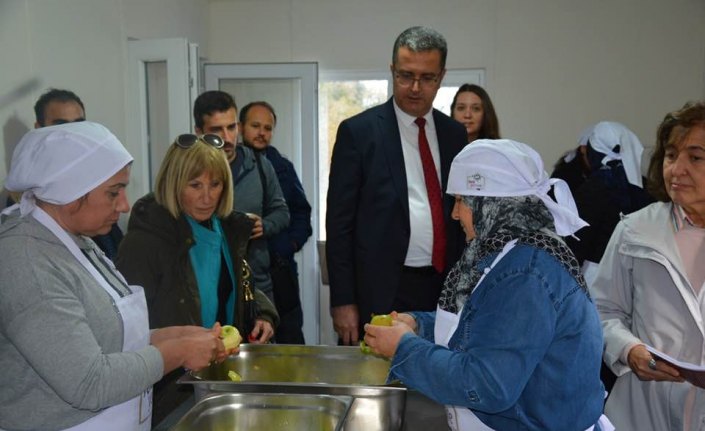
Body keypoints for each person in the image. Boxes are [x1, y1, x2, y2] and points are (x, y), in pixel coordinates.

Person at [363, 139, 611, 431]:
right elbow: (485, 323)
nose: (454, 214)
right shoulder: (506, 250)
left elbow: (488, 386)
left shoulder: (526, 271)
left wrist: (405, 349)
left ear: (493, 206)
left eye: (461, 201)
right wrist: (419, 326)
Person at [0, 122, 231, 431]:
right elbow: (88, 382)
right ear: (70, 192)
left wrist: (176, 336)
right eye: (114, 192)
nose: (124, 205)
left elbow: (107, 338)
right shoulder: (27, 261)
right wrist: (178, 352)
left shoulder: (77, 242)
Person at [116, 133, 279, 425]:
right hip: (171, 394)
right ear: (173, 184)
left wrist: (263, 313)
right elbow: (126, 332)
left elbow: (242, 283)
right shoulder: (144, 243)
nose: (207, 197)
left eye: (215, 184)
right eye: (195, 185)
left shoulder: (228, 228)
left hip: (221, 381)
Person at [326, 26, 467, 345]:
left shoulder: (454, 135)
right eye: (406, 75)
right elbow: (339, 225)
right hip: (380, 290)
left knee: (435, 384)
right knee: (377, 387)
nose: (415, 87)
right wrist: (343, 300)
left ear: (442, 76)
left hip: (442, 288)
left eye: (427, 78)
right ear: (392, 71)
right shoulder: (359, 133)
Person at [590, 101, 705, 431]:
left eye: (695, 157)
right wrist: (629, 350)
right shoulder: (635, 229)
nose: (676, 169)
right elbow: (601, 310)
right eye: (671, 155)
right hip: (643, 406)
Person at [6, 88, 125, 261]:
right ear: (39, 129)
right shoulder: (26, 192)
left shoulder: (97, 178)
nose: (72, 132)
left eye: (79, 124)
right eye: (61, 125)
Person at [193, 90, 290, 302]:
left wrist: (264, 225)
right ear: (199, 131)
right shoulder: (188, 171)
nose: (227, 138)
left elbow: (283, 212)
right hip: (206, 284)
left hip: (257, 283)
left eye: (232, 127)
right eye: (216, 130)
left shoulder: (260, 165)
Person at [240, 101, 313, 344]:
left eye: (268, 128)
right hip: (246, 272)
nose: (262, 133)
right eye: (255, 126)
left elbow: (302, 214)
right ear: (241, 128)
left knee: (290, 340)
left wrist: (288, 245)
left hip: (281, 271)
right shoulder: (229, 166)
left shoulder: (282, 167)